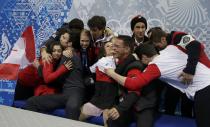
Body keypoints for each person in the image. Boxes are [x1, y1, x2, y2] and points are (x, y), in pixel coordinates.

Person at [105, 43, 210, 127]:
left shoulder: (155, 66)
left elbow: (134, 84)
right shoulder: (171, 48)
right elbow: (197, 45)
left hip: (204, 88)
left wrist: (111, 73)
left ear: (145, 57)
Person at [25, 29, 85, 120]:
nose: (62, 40)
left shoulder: (67, 54)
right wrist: (44, 53)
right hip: (67, 93)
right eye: (62, 37)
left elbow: (51, 79)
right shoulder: (64, 55)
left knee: (71, 109)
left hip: (72, 93)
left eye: (65, 39)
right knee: (32, 102)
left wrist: (39, 67)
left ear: (70, 43)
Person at [105, 35, 158, 127]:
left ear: (127, 49)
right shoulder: (118, 62)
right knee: (112, 121)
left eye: (117, 46)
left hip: (142, 106)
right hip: (128, 105)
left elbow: (134, 93)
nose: (113, 48)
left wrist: (119, 109)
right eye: (113, 45)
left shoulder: (134, 66)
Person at [79, 41, 118, 127]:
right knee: (79, 117)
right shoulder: (102, 61)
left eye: (113, 45)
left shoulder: (118, 60)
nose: (111, 47)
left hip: (112, 98)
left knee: (108, 121)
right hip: (101, 98)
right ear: (104, 51)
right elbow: (90, 70)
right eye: (108, 46)